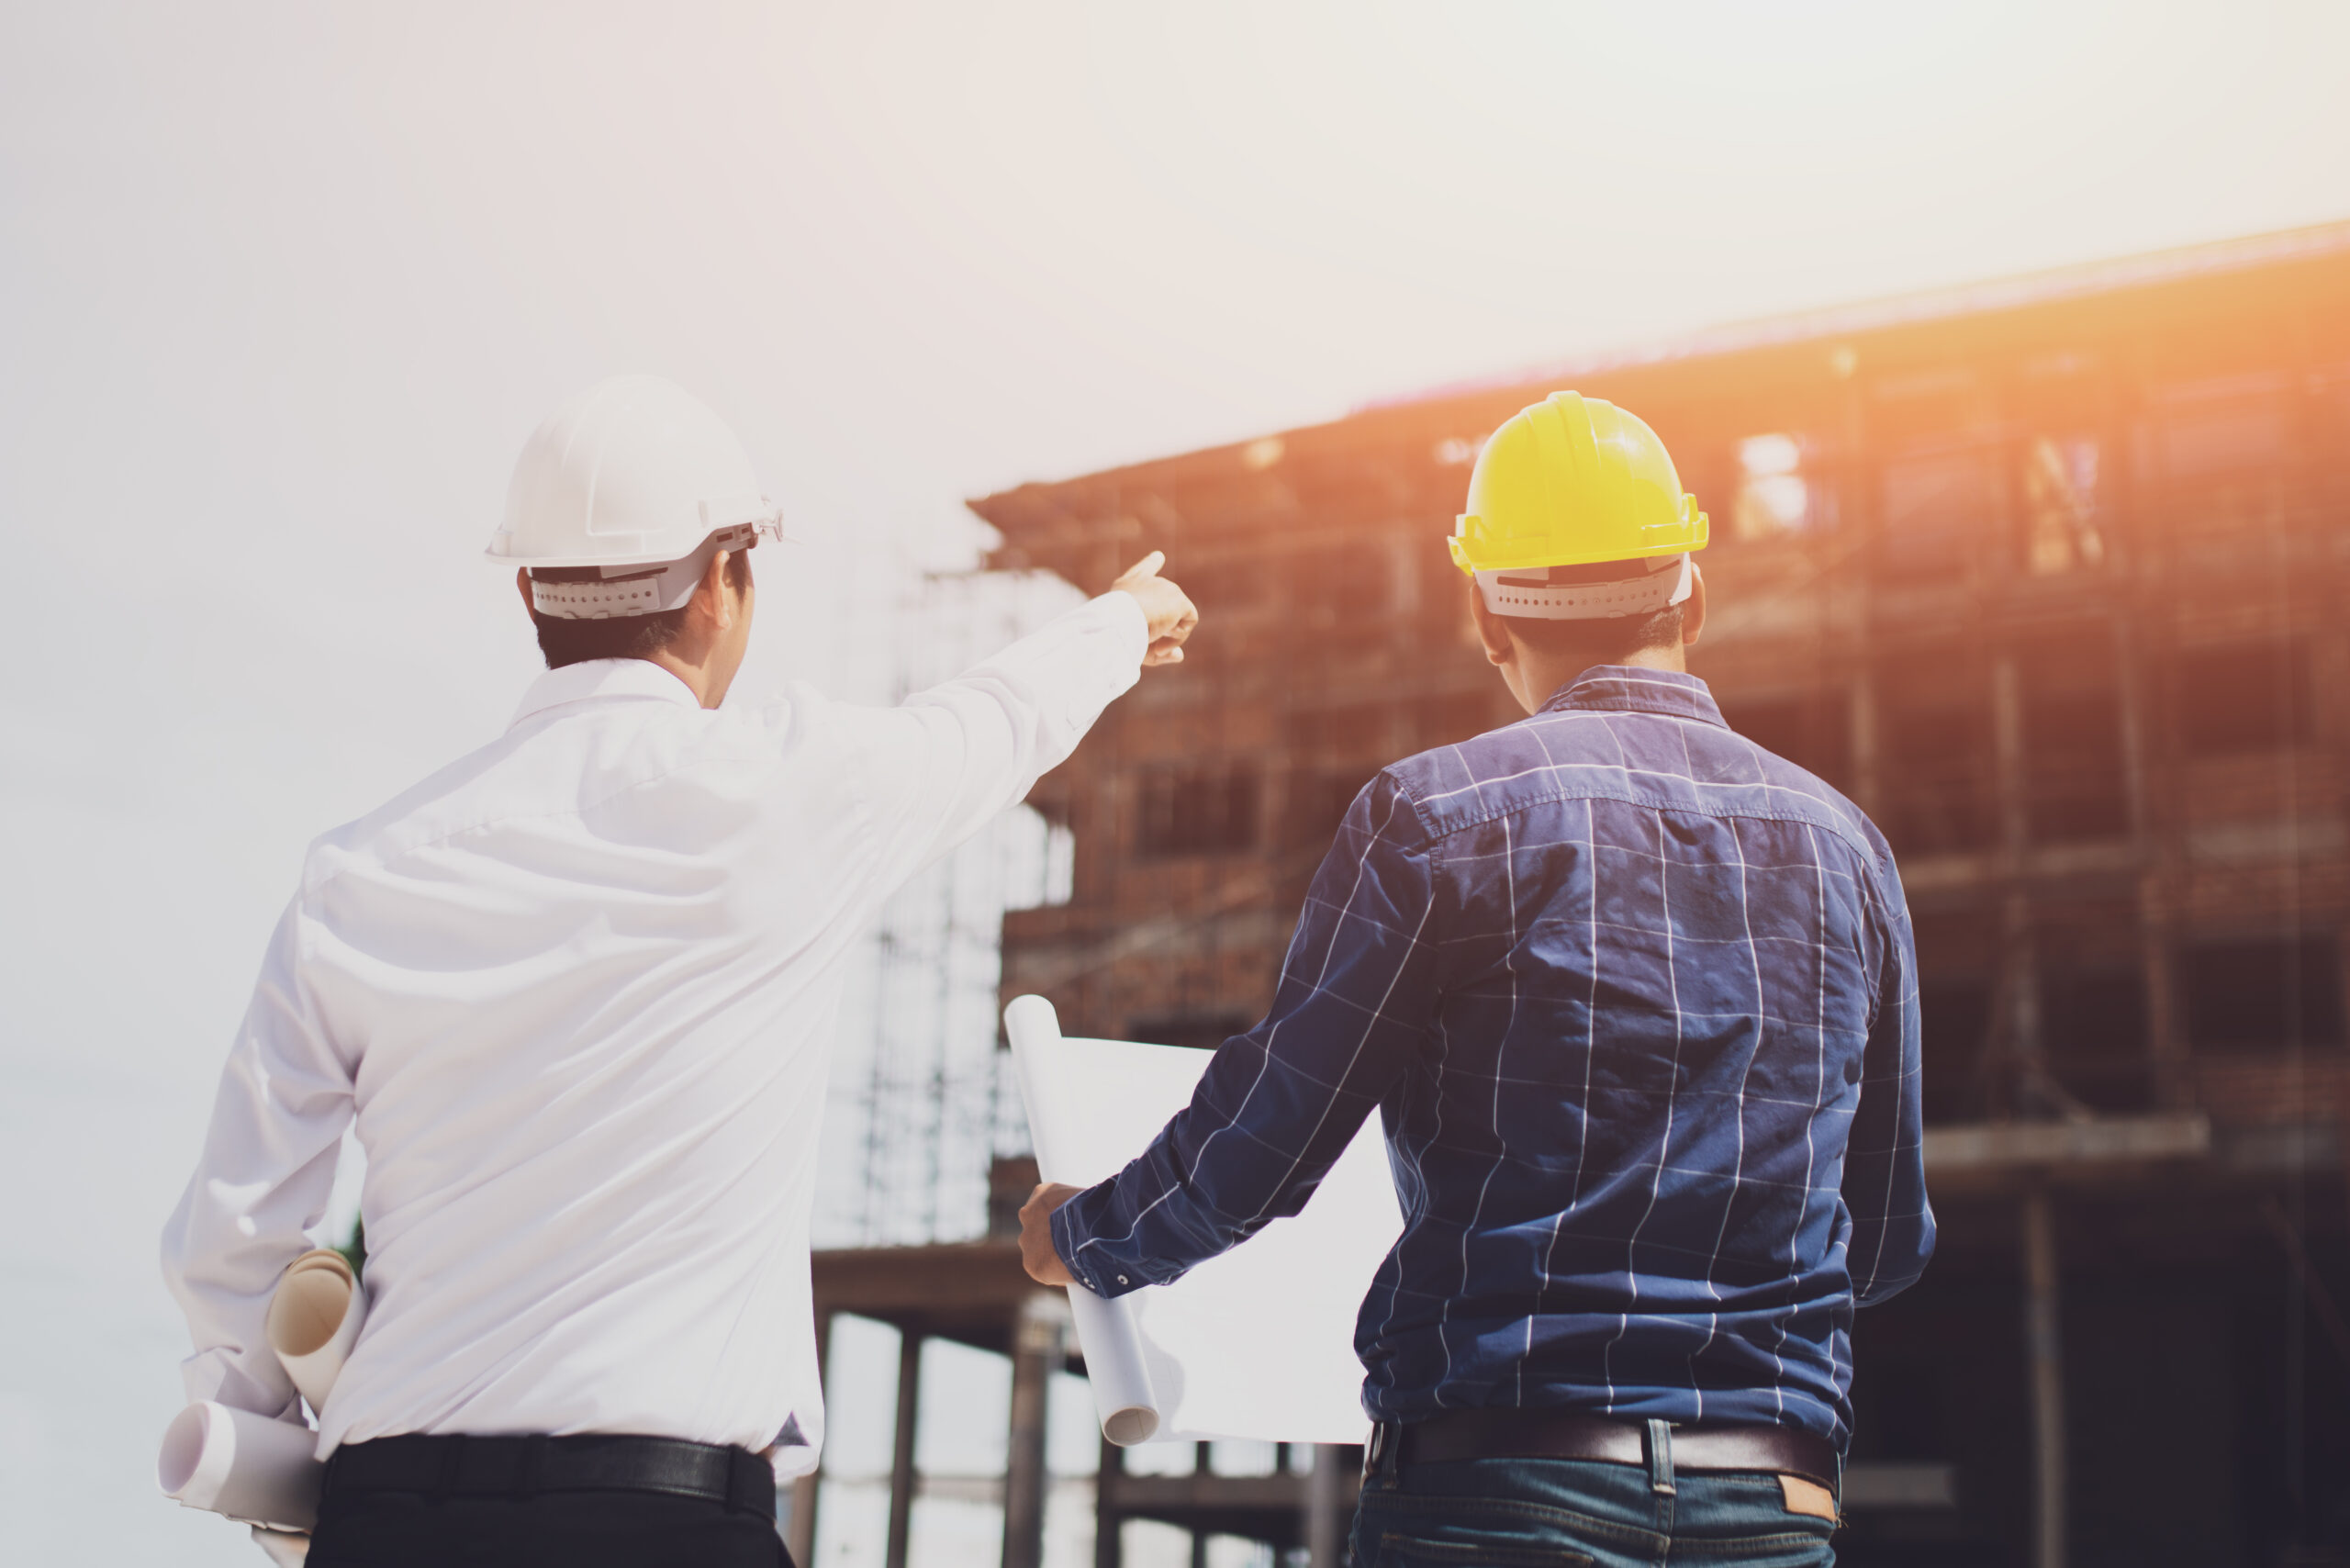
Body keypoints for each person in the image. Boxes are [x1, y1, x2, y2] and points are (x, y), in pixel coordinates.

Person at [161, 374, 1198, 1567]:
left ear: (527, 590)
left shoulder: (359, 872)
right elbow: (992, 720)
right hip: (664, 1523)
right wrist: (1123, 619)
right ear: (722, 584)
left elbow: (234, 1237)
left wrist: (273, 1462)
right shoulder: (792, 795)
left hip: (395, 1519)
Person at [1021, 391, 1930, 1567]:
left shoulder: (1434, 818)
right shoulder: (1847, 848)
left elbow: (1267, 1143)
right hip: (1770, 1506)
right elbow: (1882, 1241)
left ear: (1485, 614)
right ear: (1691, 590)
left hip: (1497, 1491)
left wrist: (1085, 1238)